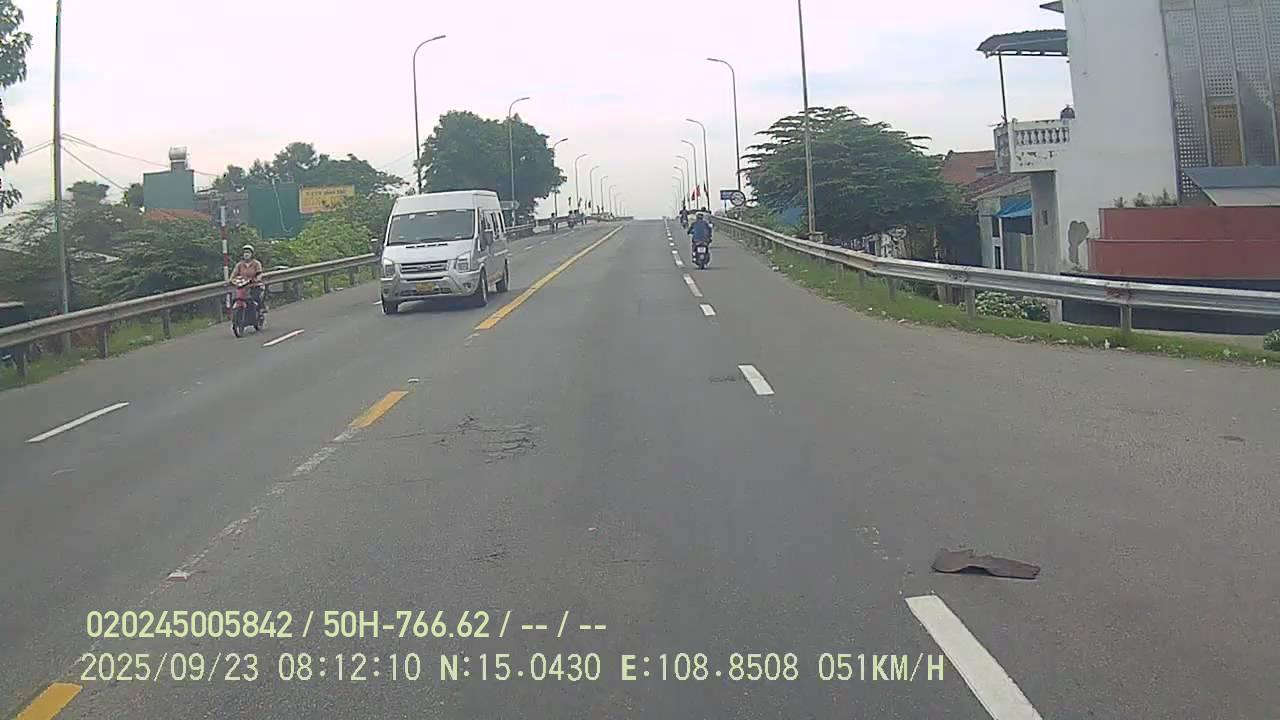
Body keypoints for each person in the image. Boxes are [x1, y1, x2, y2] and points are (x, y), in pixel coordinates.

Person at [229, 244, 266, 311]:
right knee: (236, 298)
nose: (246, 254)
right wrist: (231, 280)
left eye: (248, 252)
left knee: (256, 297)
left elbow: (259, 274)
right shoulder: (240, 264)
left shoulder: (256, 263)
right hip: (243, 285)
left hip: (254, 285)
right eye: (245, 252)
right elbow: (234, 274)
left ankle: (261, 309)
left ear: (252, 254)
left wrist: (256, 279)